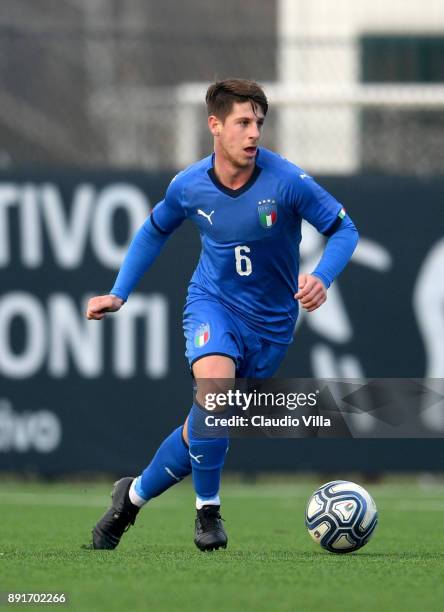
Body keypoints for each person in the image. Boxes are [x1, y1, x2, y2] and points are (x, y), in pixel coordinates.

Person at [86, 78, 359, 551]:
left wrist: (323, 277)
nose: (253, 134)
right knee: (215, 391)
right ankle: (207, 514)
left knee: (204, 426)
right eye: (242, 123)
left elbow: (344, 230)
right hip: (212, 303)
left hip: (271, 326)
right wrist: (119, 292)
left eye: (258, 123)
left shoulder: (288, 181)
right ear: (215, 125)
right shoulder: (189, 185)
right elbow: (154, 231)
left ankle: (128, 499)